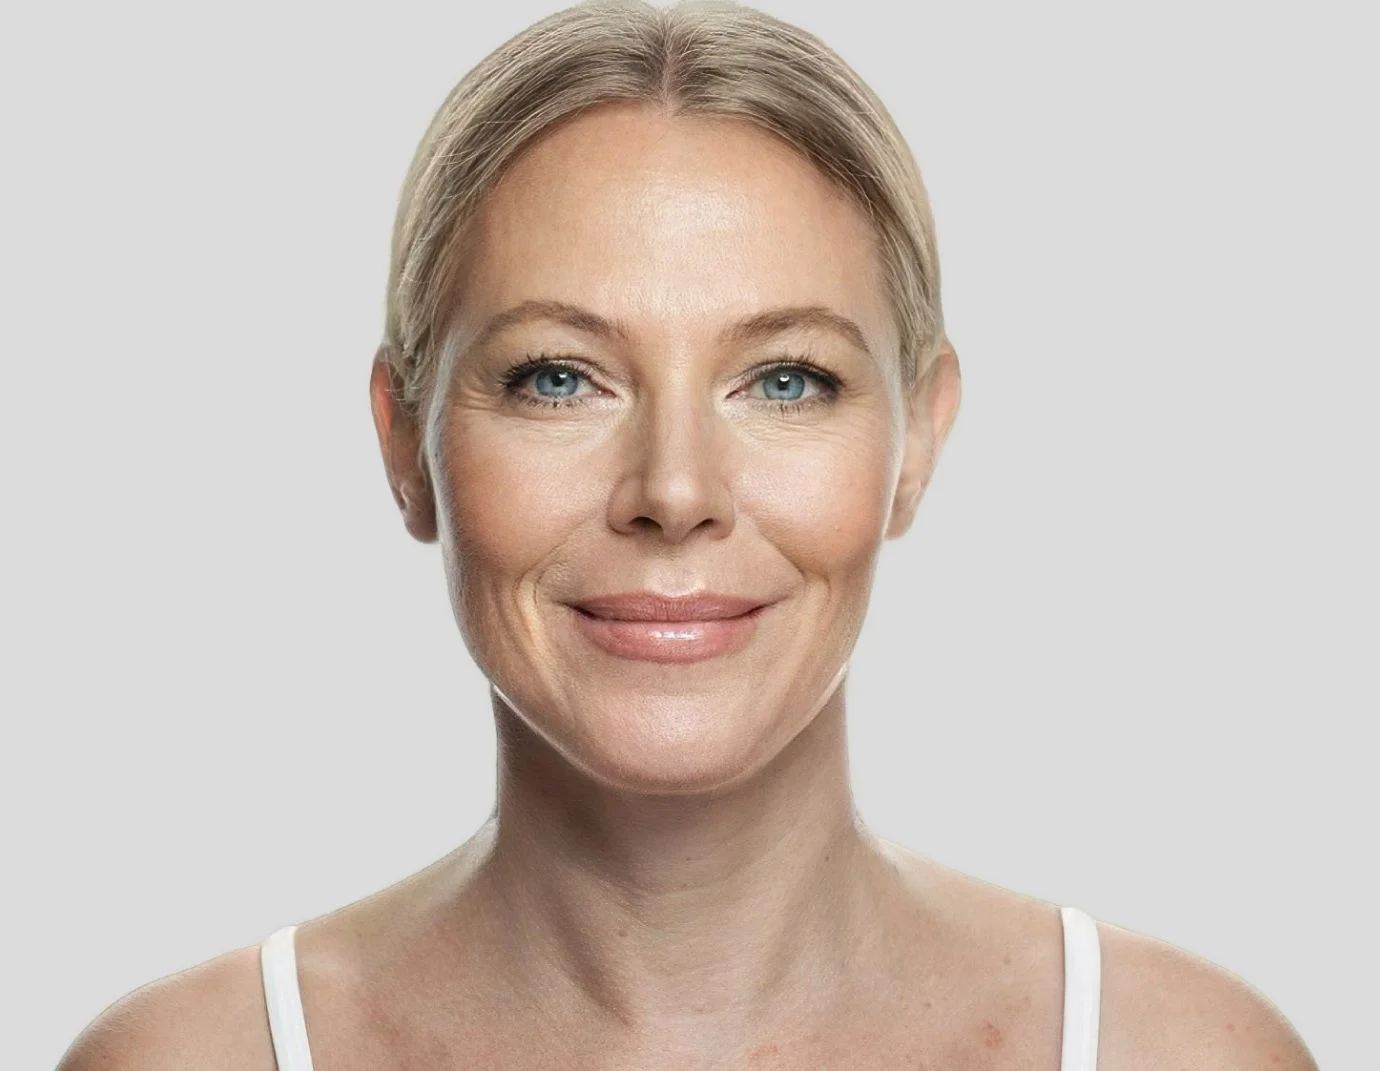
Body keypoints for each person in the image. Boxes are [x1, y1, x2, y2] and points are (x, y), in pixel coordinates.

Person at [59, 2, 1317, 1068]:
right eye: (560, 377)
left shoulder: (1181, 1049)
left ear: (919, 440)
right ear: (405, 442)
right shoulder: (190, 1056)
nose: (674, 491)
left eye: (785, 380)